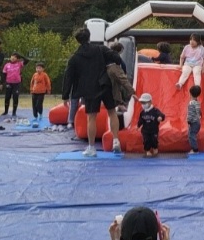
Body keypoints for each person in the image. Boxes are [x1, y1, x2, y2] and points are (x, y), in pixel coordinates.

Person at [62, 28, 124, 157]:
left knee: (91, 117)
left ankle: (91, 147)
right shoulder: (100, 49)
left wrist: (65, 96)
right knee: (112, 112)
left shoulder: (74, 58)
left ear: (77, 40)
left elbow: (68, 77)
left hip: (89, 89)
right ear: (89, 37)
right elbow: (117, 58)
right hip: (104, 84)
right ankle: (116, 140)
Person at [137, 93, 166, 158]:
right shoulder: (142, 112)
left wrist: (160, 118)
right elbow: (141, 120)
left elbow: (162, 115)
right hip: (145, 130)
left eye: (145, 103)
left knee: (154, 140)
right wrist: (138, 126)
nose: (143, 105)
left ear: (150, 102)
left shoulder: (155, 111)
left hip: (154, 130)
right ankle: (147, 150)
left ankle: (155, 148)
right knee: (146, 140)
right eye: (142, 103)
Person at [2, 52, 27, 120]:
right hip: (8, 83)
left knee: (15, 97)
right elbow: (4, 75)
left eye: (15, 57)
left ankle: (14, 112)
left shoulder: (19, 64)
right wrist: (2, 83)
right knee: (7, 97)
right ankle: (6, 111)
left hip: (16, 83)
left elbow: (27, 60)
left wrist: (20, 55)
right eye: (12, 56)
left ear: (17, 58)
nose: (13, 58)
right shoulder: (7, 65)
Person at [187, 85, 202, 155]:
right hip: (197, 122)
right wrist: (199, 115)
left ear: (190, 93)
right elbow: (198, 111)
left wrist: (189, 120)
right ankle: (194, 149)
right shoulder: (197, 102)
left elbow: (190, 113)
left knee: (191, 135)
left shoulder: (191, 103)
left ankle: (195, 149)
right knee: (192, 134)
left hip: (194, 122)